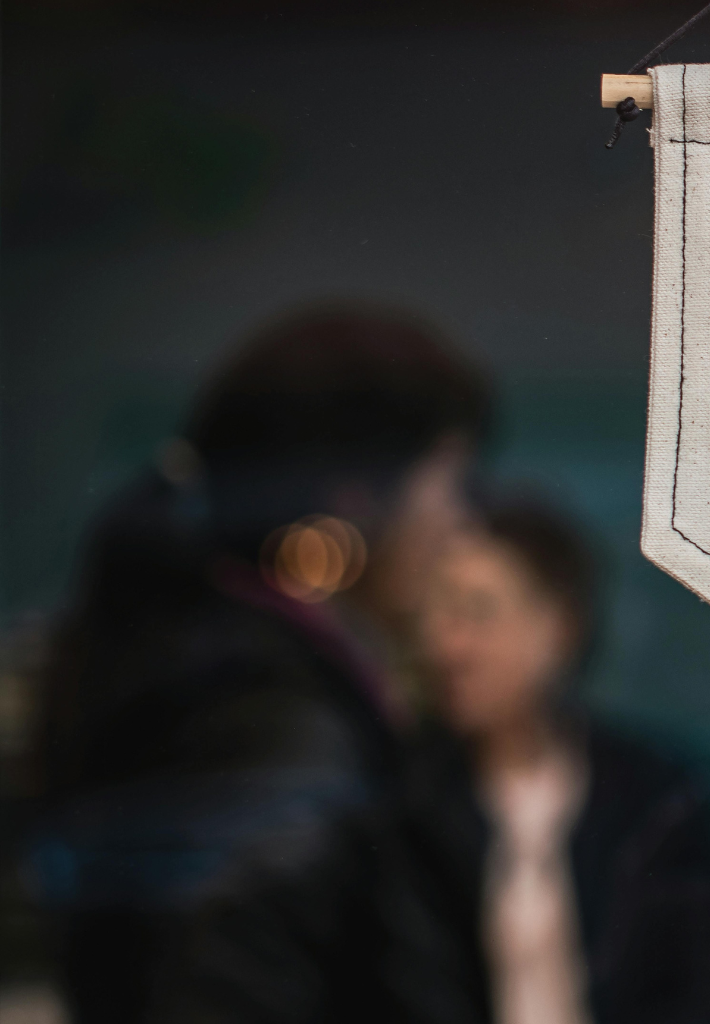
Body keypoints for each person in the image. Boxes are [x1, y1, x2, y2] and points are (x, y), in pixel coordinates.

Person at [31, 304, 492, 1022]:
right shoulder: (273, 725)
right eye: (448, 484)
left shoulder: (206, 668)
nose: (461, 522)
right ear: (357, 500)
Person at [412, 493, 710, 1024]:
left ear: (557, 627)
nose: (449, 645)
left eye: (477, 613)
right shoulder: (410, 796)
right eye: (438, 614)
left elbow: (702, 997)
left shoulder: (660, 797)